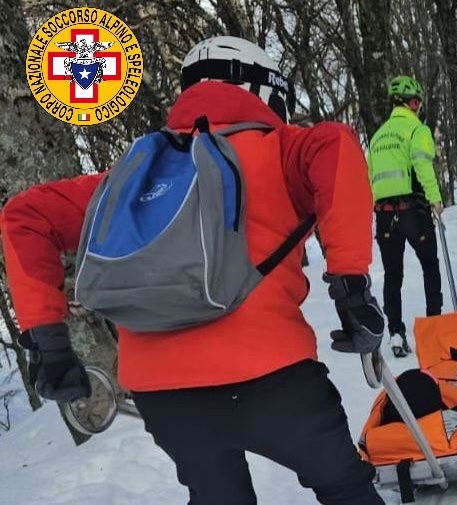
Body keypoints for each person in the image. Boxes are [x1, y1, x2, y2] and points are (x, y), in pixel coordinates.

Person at [0, 36, 386, 505]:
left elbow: (24, 215)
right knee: (345, 489)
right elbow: (336, 145)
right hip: (274, 379)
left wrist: (48, 340)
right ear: (263, 91)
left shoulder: (130, 175)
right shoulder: (279, 147)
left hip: (165, 396)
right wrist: (350, 283)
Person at [367, 76, 444, 358]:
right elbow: (423, 166)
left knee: (392, 275)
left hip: (384, 215)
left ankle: (396, 333)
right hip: (413, 210)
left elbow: (369, 179)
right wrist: (435, 199)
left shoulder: (377, 138)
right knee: (430, 265)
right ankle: (433, 324)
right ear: (413, 103)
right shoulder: (416, 130)